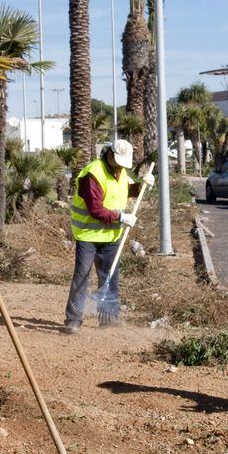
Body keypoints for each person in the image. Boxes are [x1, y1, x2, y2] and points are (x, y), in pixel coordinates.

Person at [64, 139, 154, 334]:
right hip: (88, 234)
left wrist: (142, 185)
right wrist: (121, 216)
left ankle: (109, 320)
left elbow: (126, 190)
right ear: (110, 155)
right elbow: (96, 209)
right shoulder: (93, 174)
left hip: (111, 236)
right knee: (82, 275)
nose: (121, 167)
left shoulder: (120, 172)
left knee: (109, 277)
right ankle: (73, 319)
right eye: (118, 162)